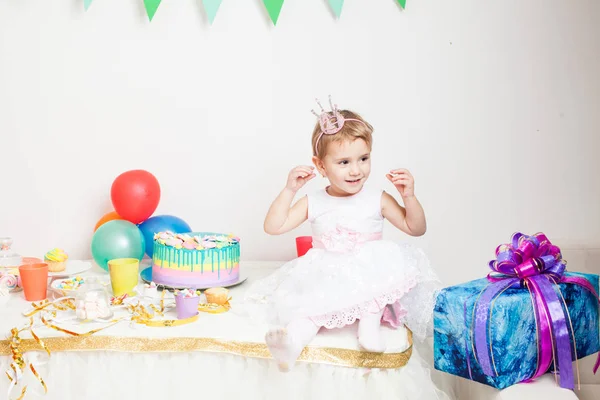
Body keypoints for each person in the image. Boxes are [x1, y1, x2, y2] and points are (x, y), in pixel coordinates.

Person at [243, 98, 442, 376]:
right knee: (310, 310)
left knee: (378, 278)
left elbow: (415, 227)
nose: (356, 170)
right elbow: (274, 226)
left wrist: (408, 196)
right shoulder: (314, 201)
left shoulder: (377, 198)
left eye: (363, 158)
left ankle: (368, 328)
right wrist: (289, 190)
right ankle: (292, 344)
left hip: (370, 269)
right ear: (320, 166)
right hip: (328, 271)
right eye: (344, 162)